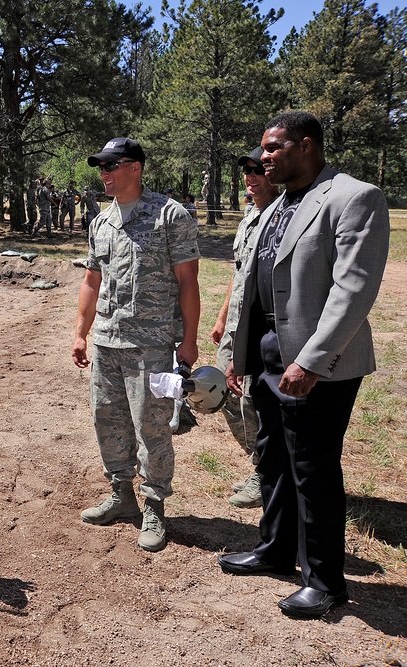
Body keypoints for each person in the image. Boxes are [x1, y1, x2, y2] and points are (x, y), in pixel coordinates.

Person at [218, 111, 390, 619]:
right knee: (271, 455)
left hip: (320, 361)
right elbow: (250, 282)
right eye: (263, 149)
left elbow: (353, 289)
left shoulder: (354, 197)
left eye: (273, 148)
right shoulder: (278, 205)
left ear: (307, 145)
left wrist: (311, 360)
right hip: (270, 350)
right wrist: (239, 353)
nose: (263, 157)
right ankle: (276, 550)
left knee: (312, 467)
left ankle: (325, 581)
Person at [72, 137, 200, 552]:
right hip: (108, 342)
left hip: (155, 345)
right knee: (106, 420)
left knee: (153, 426)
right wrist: (80, 332)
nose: (104, 174)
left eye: (112, 166)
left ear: (136, 167)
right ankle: (121, 495)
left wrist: (190, 342)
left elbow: (187, 281)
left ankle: (155, 506)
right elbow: (92, 279)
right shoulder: (100, 222)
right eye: (101, 167)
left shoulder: (169, 215)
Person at [210, 148, 278, 509]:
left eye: (258, 170)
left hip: (261, 326)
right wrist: (223, 318)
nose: (251, 177)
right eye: (247, 170)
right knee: (226, 393)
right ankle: (262, 461)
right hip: (237, 323)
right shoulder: (249, 214)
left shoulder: (283, 215)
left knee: (255, 398)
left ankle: (266, 471)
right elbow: (239, 275)